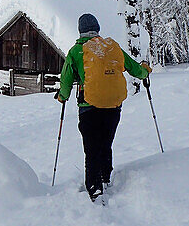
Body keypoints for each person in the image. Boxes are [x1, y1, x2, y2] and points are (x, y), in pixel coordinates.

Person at [56, 12, 152, 201]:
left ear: (80, 31)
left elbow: (66, 79)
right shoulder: (112, 48)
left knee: (91, 148)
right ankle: (105, 177)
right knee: (106, 142)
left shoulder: (76, 51)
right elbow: (135, 69)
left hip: (88, 106)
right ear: (97, 29)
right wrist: (145, 70)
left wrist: (62, 96)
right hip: (113, 106)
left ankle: (94, 188)